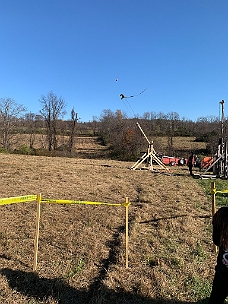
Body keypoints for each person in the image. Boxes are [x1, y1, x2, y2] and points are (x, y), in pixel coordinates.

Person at [209, 207, 228, 303]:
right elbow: (217, 240)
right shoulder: (222, 215)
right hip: (222, 275)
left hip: (222, 274)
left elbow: (216, 240)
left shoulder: (222, 215)